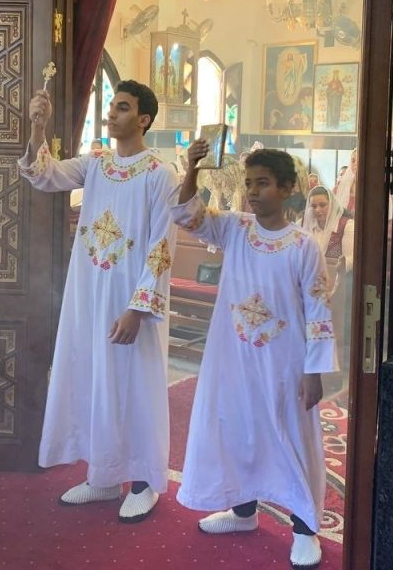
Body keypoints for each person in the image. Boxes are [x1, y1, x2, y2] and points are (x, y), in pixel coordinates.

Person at [18, 80, 179, 523]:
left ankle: (143, 482)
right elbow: (43, 175)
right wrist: (38, 128)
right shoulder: (97, 165)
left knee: (136, 386)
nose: (111, 113)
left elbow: (162, 248)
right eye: (111, 106)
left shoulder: (160, 174)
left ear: (143, 119)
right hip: (89, 291)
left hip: (132, 300)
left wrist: (138, 308)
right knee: (93, 378)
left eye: (122, 107)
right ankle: (104, 477)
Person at [172, 143, 335, 569]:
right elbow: (186, 215)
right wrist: (192, 169)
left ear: (287, 188)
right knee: (239, 433)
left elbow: (318, 311)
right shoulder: (235, 228)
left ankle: (305, 530)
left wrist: (314, 371)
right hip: (233, 359)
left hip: (284, 365)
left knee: (292, 439)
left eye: (263, 183)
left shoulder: (303, 246)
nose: (253, 192)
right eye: (249, 184)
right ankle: (243, 512)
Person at [303, 185, 355, 397]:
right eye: (314, 206)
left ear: (331, 203)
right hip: (310, 284)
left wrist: (341, 264)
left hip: (338, 285)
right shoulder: (307, 224)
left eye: (322, 205)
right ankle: (310, 371)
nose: (318, 210)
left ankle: (332, 376)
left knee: (333, 328)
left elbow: (352, 257)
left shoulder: (346, 224)